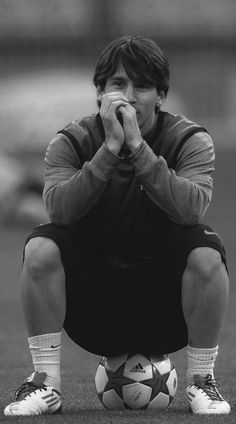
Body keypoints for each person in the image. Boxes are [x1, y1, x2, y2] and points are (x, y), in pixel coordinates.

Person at [4, 35, 230, 416]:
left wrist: (139, 149)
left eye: (142, 86)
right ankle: (45, 382)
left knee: (208, 251)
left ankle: (201, 381)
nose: (129, 96)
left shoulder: (191, 140)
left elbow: (191, 210)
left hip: (165, 309)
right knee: (40, 245)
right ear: (100, 92)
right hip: (95, 310)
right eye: (118, 84)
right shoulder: (71, 140)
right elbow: (58, 211)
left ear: (160, 96)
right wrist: (108, 151)